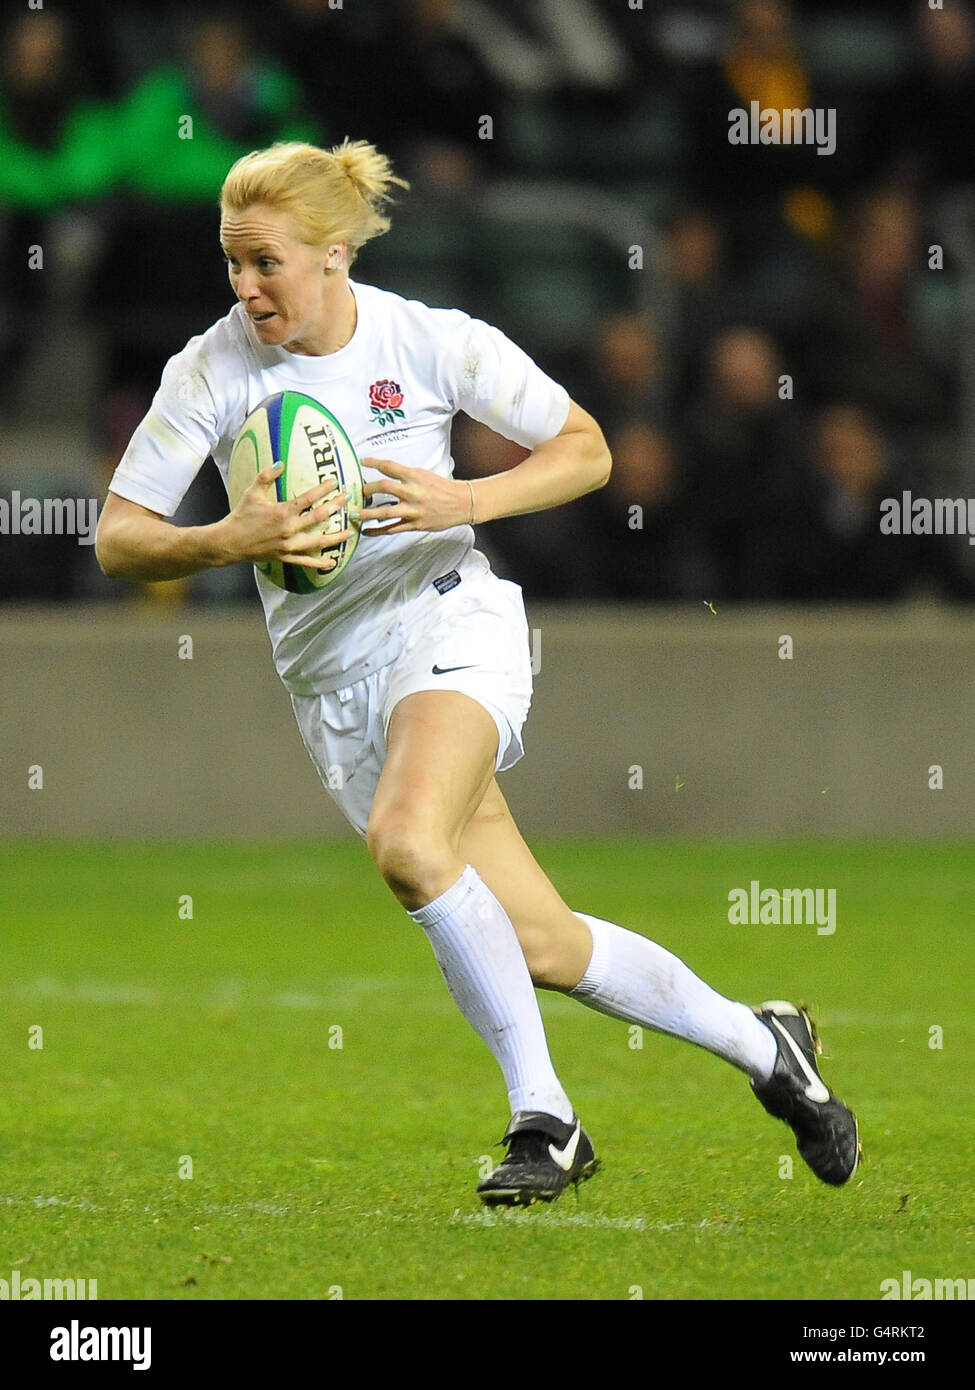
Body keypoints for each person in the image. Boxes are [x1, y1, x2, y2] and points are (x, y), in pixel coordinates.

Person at [95, 138, 860, 1205]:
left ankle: (544, 1119)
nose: (245, 287)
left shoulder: (431, 340)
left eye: (265, 262)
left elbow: (586, 448)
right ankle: (767, 1044)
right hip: (335, 688)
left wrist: (466, 501)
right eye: (233, 264)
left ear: (332, 254)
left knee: (407, 843)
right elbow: (120, 537)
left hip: (450, 623)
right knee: (542, 941)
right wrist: (234, 535)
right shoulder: (210, 369)